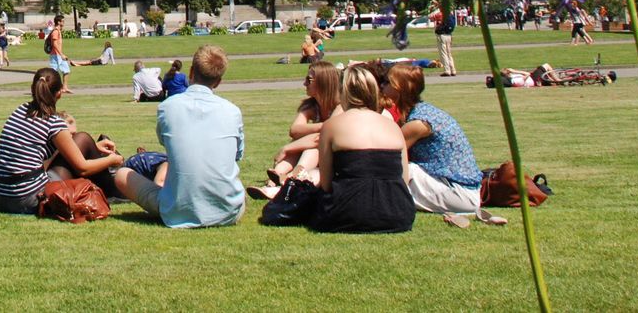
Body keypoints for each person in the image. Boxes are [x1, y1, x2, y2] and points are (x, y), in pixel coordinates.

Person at [112, 46, 246, 228]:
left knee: (122, 174)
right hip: (228, 211)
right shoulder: (232, 111)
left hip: (176, 211)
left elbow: (165, 142)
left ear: (191, 72)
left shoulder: (168, 107)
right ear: (218, 81)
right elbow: (237, 155)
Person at [0, 67, 124, 214]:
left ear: (32, 88)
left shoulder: (20, 111)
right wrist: (112, 159)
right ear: (60, 93)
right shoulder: (53, 123)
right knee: (83, 138)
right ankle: (116, 189)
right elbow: (83, 168)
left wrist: (96, 147)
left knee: (82, 140)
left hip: (3, 196)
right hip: (28, 198)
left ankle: (113, 185)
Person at [387, 63, 504, 226]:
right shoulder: (424, 111)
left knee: (399, 169)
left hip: (459, 194)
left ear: (399, 89)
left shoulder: (419, 123)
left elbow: (386, 151)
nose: (382, 86)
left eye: (387, 83)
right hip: (464, 190)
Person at [309, 65, 414, 233]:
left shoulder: (331, 126)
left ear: (343, 91)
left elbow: (327, 183)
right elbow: (404, 179)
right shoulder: (393, 127)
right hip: (398, 214)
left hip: (345, 213)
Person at [249, 62, 342, 197]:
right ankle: (274, 180)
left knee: (312, 148)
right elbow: (295, 130)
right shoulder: (311, 106)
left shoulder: (340, 106)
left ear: (323, 82)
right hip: (319, 154)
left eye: (308, 80)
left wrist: (287, 148)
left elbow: (320, 139)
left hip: (334, 157)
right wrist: (323, 126)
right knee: (300, 141)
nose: (304, 83)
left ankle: (288, 179)